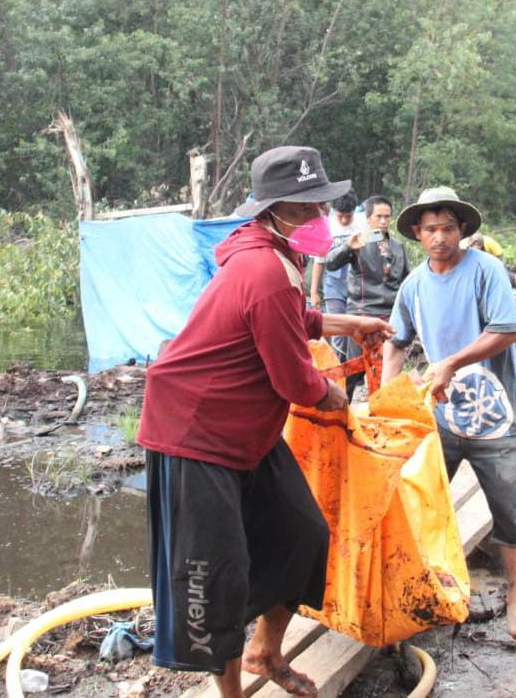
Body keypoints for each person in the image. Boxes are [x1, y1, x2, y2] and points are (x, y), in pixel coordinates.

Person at [137, 146, 393, 698]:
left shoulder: (275, 253)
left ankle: (264, 650)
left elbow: (289, 317)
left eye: (319, 205)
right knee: (217, 574)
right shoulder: (261, 267)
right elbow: (296, 385)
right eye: (303, 209)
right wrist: (343, 400)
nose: (316, 219)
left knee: (303, 534)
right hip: (195, 432)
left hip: (245, 430)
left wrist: (341, 321)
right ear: (271, 208)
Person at [381, 186, 516, 641]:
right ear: (416, 233)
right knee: (420, 507)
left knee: (512, 512)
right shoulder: (413, 285)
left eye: (448, 228)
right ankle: (426, 592)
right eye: (430, 229)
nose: (440, 237)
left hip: (496, 419)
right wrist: (388, 394)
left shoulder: (485, 271)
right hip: (441, 419)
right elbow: (396, 340)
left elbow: (507, 330)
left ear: (462, 231)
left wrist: (450, 362)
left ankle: (515, 600)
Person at [325, 194, 409, 396]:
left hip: (391, 316)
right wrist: (346, 247)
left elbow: (407, 281)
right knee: (354, 369)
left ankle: (380, 419)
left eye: (387, 216)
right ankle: (341, 415)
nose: (383, 221)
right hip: (362, 314)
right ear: (368, 218)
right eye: (378, 216)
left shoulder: (397, 246)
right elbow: (330, 262)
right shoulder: (358, 241)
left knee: (386, 373)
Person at [309, 190, 366, 362]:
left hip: (356, 286)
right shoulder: (327, 227)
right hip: (334, 285)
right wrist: (314, 291)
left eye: (347, 216)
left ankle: (353, 372)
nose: (343, 220)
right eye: (340, 216)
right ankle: (337, 370)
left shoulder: (362, 225)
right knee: (339, 330)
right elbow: (320, 261)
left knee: (355, 330)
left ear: (354, 211)